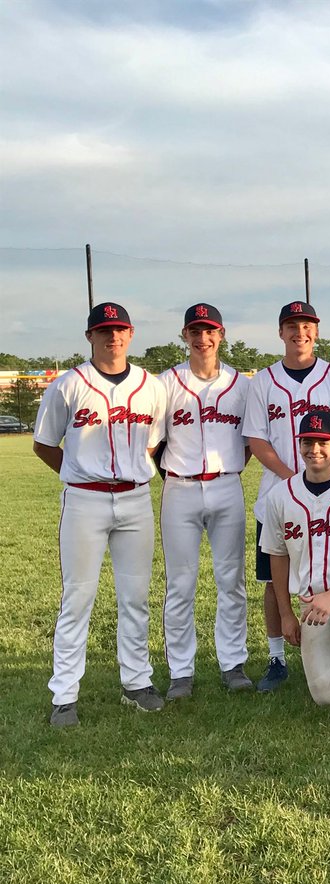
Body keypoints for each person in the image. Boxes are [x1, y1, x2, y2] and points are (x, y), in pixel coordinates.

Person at [34, 302, 168, 726]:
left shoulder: (152, 386)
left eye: (120, 330)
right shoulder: (68, 385)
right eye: (104, 330)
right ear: (89, 336)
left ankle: (137, 682)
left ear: (131, 335)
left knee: (135, 597)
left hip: (135, 500)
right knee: (77, 597)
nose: (113, 337)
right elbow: (44, 443)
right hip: (84, 501)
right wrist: (78, 475)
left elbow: (153, 442)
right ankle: (64, 694)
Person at [244, 301, 330, 692]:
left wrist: (322, 474)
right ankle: (276, 658)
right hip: (278, 494)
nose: (300, 333)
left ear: (317, 331)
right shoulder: (263, 381)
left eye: (306, 326)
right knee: (274, 581)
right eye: (292, 326)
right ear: (280, 333)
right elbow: (256, 438)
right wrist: (297, 479)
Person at [259, 412, 330, 733]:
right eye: (308, 442)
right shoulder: (281, 496)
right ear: (299, 445)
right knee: (324, 694)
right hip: (311, 601)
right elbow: (278, 558)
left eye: (323, 442)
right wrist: (286, 614)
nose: (315, 449)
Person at [157, 303, 252, 699]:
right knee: (181, 582)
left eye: (209, 330)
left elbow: (250, 442)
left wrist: (228, 470)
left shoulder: (241, 384)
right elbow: (153, 442)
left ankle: (233, 663)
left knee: (232, 580)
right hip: (179, 486)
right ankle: (181, 671)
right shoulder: (165, 383)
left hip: (227, 483)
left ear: (222, 334)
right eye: (195, 331)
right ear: (185, 335)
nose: (203, 338)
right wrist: (174, 474)